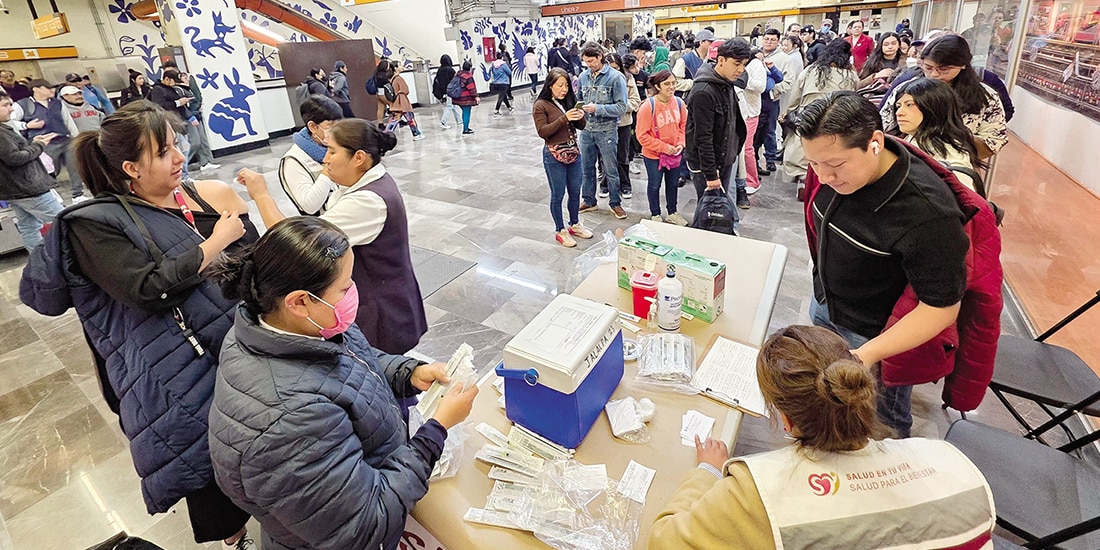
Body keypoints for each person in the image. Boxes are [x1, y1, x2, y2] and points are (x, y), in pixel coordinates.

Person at [19, 100, 258, 549]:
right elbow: (148, 290)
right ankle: (235, 537)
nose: (179, 156)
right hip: (172, 366)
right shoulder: (96, 225)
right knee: (201, 455)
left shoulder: (200, 195)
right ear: (130, 167)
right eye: (164, 152)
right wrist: (215, 243)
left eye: (176, 144)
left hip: (227, 344)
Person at [206, 216, 477, 550]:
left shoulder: (291, 326)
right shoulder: (289, 420)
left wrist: (407, 373)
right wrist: (436, 429)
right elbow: (367, 524)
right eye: (345, 287)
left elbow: (350, 361)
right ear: (299, 301)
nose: (353, 294)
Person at [649, 325, 996, 550]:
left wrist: (708, 472)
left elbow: (664, 542)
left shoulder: (757, 494)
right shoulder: (945, 459)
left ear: (786, 420)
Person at [798, 91, 970, 438]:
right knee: (829, 405)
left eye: (835, 165)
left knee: (880, 423)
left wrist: (868, 354)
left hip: (877, 335)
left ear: (875, 142)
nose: (823, 176)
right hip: (827, 306)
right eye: (814, 164)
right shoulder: (833, 165)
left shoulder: (927, 214)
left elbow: (941, 308)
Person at [237, 119, 427, 356]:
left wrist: (261, 195)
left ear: (358, 158)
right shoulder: (364, 183)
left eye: (332, 151)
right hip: (385, 299)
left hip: (381, 311)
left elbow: (297, 243)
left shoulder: (367, 201)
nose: (325, 159)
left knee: (387, 380)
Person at [880, 35, 1007, 159]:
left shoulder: (985, 97)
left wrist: (948, 138)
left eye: (944, 69)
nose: (934, 74)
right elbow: (882, 124)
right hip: (907, 159)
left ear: (963, 65)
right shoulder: (905, 89)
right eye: (928, 67)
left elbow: (994, 142)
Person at [781, 39, 858, 191]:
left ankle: (803, 180)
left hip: (807, 115)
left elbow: (796, 94)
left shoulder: (811, 70)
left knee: (803, 148)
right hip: (836, 117)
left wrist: (790, 111)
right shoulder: (850, 75)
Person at [533, 68, 593, 248]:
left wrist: (580, 116)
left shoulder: (568, 101)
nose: (564, 89)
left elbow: (581, 126)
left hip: (573, 153)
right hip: (554, 154)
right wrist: (564, 118)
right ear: (550, 85)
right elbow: (543, 132)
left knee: (575, 191)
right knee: (557, 194)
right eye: (560, 85)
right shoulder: (541, 105)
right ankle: (560, 230)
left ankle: (574, 224)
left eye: (566, 85)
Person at [684, 40, 751, 200]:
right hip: (708, 164)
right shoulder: (704, 91)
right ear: (721, 60)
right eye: (736, 64)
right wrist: (711, 174)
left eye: (744, 64)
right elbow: (703, 137)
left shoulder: (726, 83)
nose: (741, 70)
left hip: (725, 156)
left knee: (721, 205)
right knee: (711, 210)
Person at [892, 78, 985, 191]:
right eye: (898, 106)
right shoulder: (915, 137)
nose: (899, 113)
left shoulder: (949, 152)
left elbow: (963, 198)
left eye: (909, 105)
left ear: (934, 107)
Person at [0, 90, 64, 250]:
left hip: (15, 189)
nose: (12, 109)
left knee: (29, 227)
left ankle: (39, 264)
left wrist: (32, 143)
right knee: (67, 220)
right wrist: (39, 146)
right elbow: (14, 158)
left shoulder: (4, 129)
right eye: (5, 105)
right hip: (28, 188)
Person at [576, 42, 630, 220]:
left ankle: (615, 203)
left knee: (610, 169)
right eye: (586, 62)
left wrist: (598, 108)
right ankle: (589, 200)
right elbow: (579, 99)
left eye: (591, 61)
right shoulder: (583, 76)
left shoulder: (616, 77)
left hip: (607, 130)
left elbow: (622, 107)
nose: (588, 65)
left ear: (600, 56)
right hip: (586, 130)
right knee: (587, 168)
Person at [635, 70, 688, 226]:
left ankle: (673, 212)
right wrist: (664, 147)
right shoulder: (648, 106)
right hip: (653, 155)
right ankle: (655, 213)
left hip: (675, 153)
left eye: (673, 83)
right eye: (667, 84)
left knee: (673, 184)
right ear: (657, 86)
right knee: (654, 184)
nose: (671, 87)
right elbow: (642, 136)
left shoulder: (679, 103)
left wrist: (680, 144)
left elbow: (684, 127)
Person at [19, 79, 86, 202]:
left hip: (64, 138)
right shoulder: (23, 105)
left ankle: (77, 194)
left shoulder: (57, 103)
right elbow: (10, 122)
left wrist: (75, 136)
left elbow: (67, 120)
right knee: (49, 170)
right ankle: (52, 194)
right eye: (47, 88)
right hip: (43, 143)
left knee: (75, 166)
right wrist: (26, 126)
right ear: (36, 89)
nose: (52, 90)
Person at [280, 95, 342, 215]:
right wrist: (328, 168)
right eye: (331, 125)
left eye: (339, 124)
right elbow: (309, 206)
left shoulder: (333, 146)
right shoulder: (294, 160)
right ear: (312, 127)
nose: (337, 130)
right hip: (325, 225)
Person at [598, 53, 640, 201]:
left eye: (616, 68)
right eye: (610, 68)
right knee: (605, 156)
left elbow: (636, 101)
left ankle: (625, 185)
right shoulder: (600, 79)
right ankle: (605, 184)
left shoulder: (628, 79)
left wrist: (619, 107)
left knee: (623, 156)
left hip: (623, 123)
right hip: (604, 123)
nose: (613, 72)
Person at [731, 39, 768, 208]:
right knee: (739, 149)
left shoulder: (755, 65)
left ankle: (752, 181)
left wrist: (743, 80)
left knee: (746, 149)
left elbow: (761, 86)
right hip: (736, 110)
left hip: (751, 112)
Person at [755, 29, 792, 179]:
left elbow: (788, 81)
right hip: (755, 100)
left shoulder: (784, 58)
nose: (769, 42)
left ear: (778, 41)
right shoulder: (755, 54)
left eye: (772, 39)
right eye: (766, 39)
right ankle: (755, 159)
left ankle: (770, 158)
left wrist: (770, 89)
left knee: (769, 130)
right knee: (754, 133)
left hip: (771, 100)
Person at [384, 62, 423, 141]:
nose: (402, 66)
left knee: (394, 120)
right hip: (402, 102)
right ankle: (416, 134)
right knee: (410, 118)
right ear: (395, 68)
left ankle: (385, 135)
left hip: (395, 103)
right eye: (400, 65)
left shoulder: (392, 78)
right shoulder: (399, 78)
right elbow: (406, 90)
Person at [671, 29, 715, 94]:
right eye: (710, 42)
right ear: (701, 42)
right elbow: (674, 82)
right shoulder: (684, 60)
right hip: (687, 100)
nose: (712, 45)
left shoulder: (710, 61)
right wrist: (695, 83)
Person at [432, 54, 462, 129]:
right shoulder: (450, 70)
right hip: (451, 91)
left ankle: (459, 120)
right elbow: (455, 80)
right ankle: (443, 122)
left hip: (444, 91)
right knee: (449, 106)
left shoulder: (439, 70)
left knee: (453, 105)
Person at [452, 60, 480, 135]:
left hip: (457, 97)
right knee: (466, 112)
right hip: (465, 98)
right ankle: (465, 129)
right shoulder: (468, 76)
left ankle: (466, 127)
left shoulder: (458, 74)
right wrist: (476, 96)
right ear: (470, 68)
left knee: (464, 112)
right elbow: (471, 88)